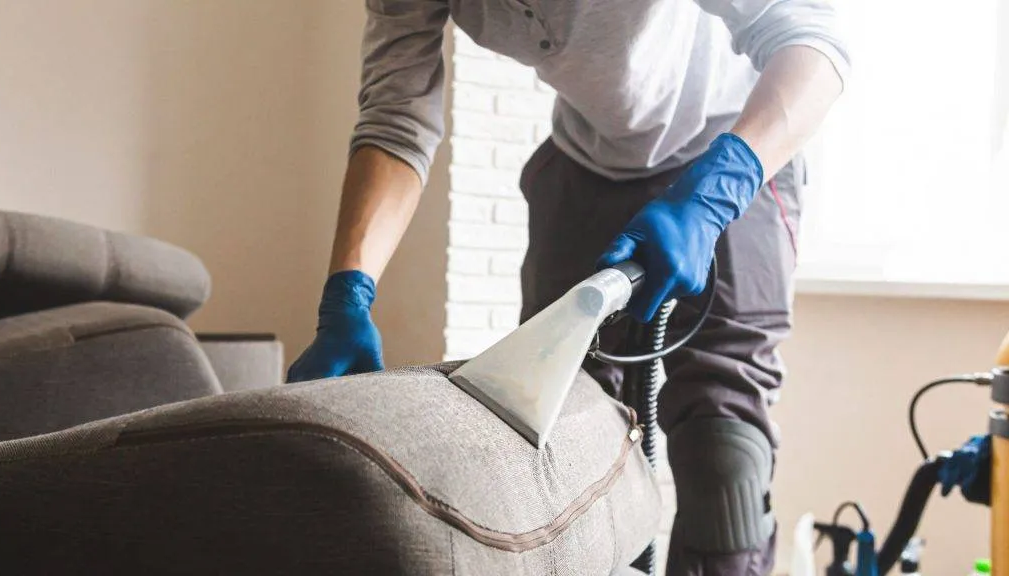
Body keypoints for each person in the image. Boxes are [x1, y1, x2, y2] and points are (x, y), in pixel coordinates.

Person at [287, 1, 848, 573]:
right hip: (586, 164)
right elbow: (395, 116)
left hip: (733, 143)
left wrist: (715, 191)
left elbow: (813, 42)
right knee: (558, 430)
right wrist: (349, 291)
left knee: (723, 455)